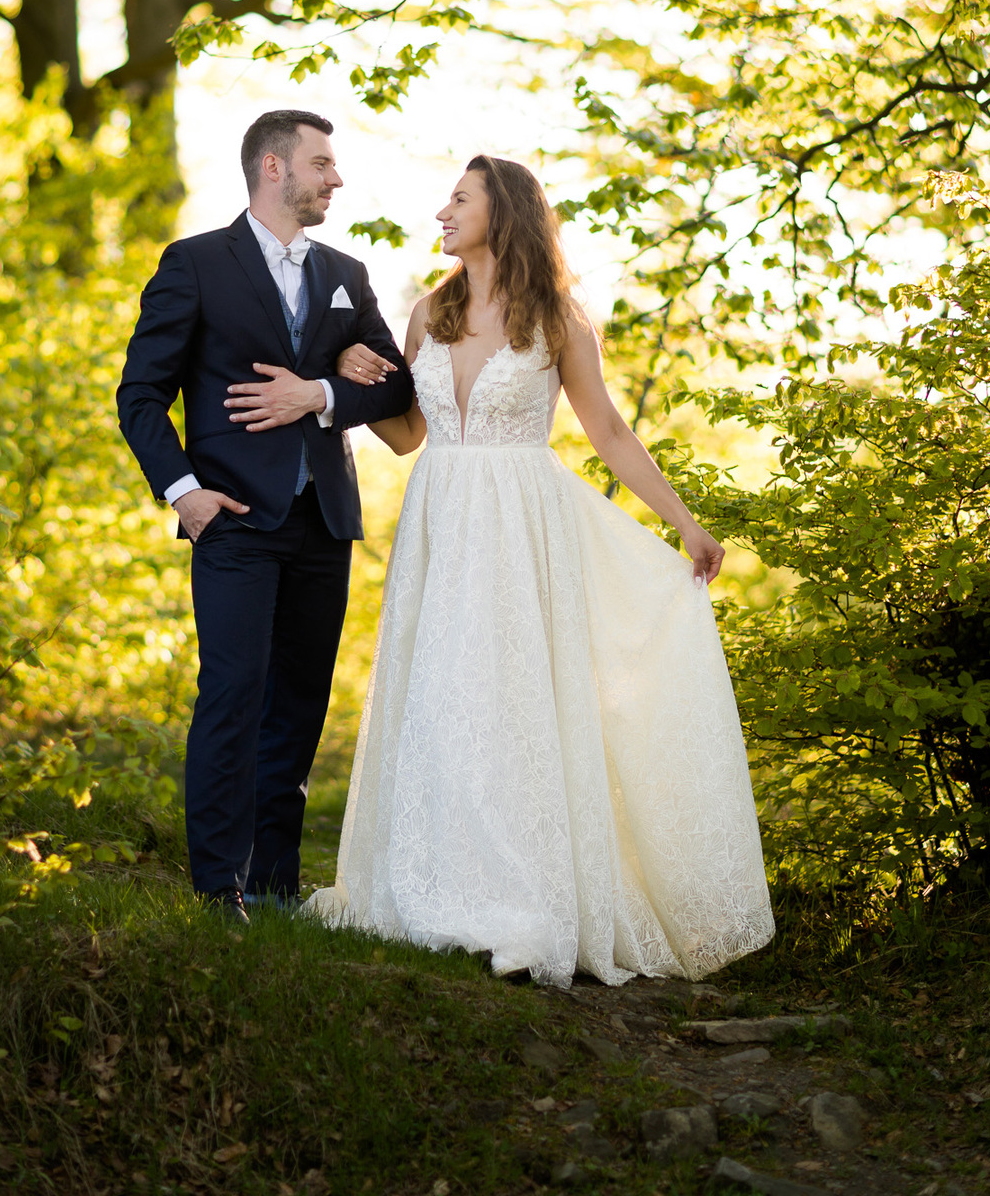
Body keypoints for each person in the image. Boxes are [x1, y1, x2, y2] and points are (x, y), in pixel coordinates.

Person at [308, 155, 774, 984]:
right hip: (439, 521)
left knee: (511, 699)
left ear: (505, 212)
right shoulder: (428, 312)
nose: (443, 211)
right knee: (440, 691)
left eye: (460, 199)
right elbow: (408, 436)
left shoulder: (559, 320)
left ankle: (519, 891)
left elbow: (610, 433)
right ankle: (434, 881)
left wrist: (686, 525)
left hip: (521, 528)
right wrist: (350, 380)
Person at [116, 110, 413, 919]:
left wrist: (319, 392)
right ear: (274, 168)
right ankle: (219, 889)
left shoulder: (347, 272)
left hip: (325, 519)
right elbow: (140, 396)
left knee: (299, 703)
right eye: (322, 163)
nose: (336, 178)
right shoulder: (195, 264)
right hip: (233, 518)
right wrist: (185, 493)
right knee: (233, 696)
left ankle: (276, 887)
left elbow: (396, 389)